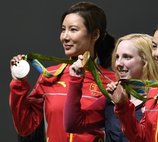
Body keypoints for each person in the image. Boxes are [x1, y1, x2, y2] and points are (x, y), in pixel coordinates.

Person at [9, 1, 116, 142]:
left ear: (95, 34)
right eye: (63, 29)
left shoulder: (111, 81)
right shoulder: (50, 76)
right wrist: (19, 82)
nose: (65, 37)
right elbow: (25, 127)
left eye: (73, 30)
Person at [64, 33, 158, 142]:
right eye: (117, 57)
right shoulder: (112, 99)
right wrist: (75, 80)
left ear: (146, 61)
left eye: (127, 57)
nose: (118, 63)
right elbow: (73, 124)